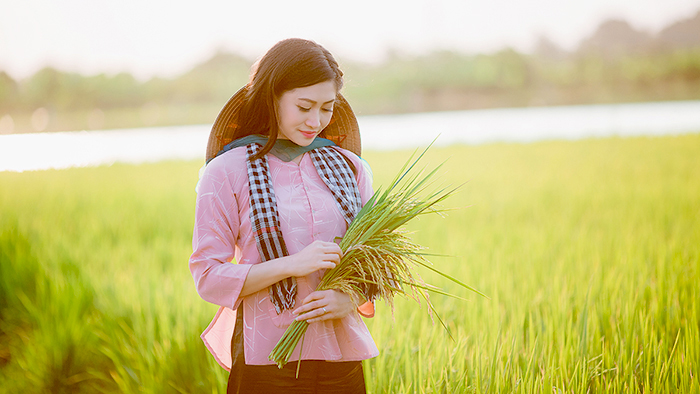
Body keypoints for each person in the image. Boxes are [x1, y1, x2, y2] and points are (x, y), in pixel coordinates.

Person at [189, 38, 378, 393]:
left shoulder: (351, 168)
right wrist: (293, 264)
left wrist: (350, 297)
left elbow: (377, 260)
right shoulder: (226, 172)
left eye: (327, 108)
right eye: (304, 106)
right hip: (267, 361)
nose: (316, 121)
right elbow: (208, 275)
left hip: (341, 361)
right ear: (272, 97)